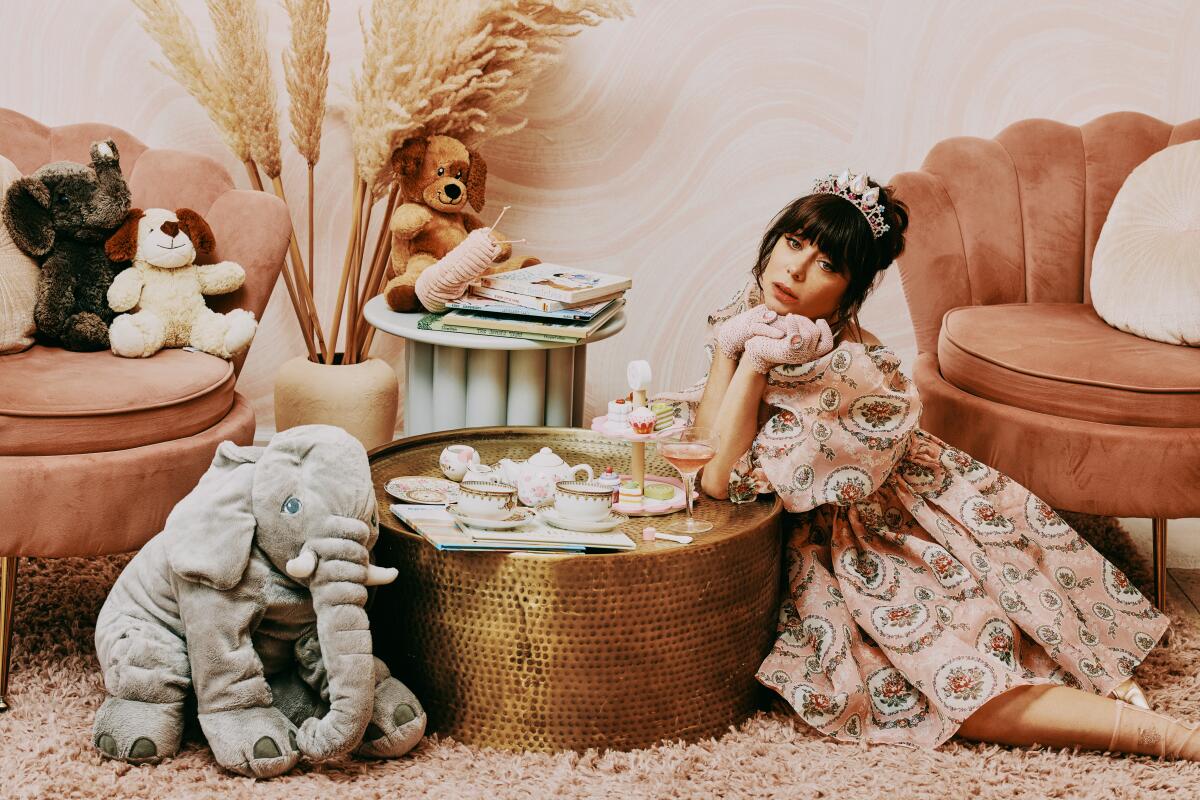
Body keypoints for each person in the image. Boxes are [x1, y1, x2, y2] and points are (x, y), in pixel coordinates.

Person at [656, 169, 1198, 759]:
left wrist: (754, 361)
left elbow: (717, 479)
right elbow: (709, 444)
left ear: (849, 292)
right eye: (793, 243)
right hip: (841, 510)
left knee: (949, 674)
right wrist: (733, 348)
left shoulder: (848, 370)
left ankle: (1163, 736)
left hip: (879, 529)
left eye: (828, 265)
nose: (795, 269)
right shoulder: (758, 313)